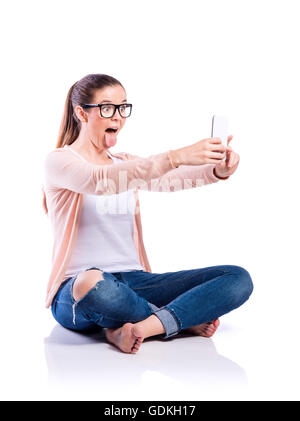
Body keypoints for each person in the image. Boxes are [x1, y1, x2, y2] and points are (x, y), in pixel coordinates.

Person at [42, 73, 253, 354]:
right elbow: (100, 181)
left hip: (136, 281)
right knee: (95, 283)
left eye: (122, 107)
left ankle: (138, 328)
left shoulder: (125, 162)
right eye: (107, 108)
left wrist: (218, 170)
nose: (117, 116)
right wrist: (175, 156)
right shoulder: (60, 161)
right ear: (81, 113)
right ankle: (179, 319)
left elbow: (172, 179)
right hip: (78, 287)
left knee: (236, 278)